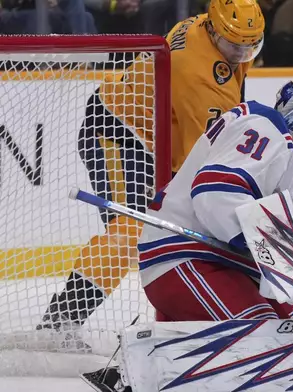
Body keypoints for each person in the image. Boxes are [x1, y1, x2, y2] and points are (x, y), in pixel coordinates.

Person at [37, 0, 265, 342]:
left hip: (155, 136)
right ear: (215, 31)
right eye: (235, 45)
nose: (241, 54)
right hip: (118, 129)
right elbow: (201, 166)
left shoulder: (211, 28)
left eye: (250, 46)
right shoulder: (199, 80)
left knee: (158, 228)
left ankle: (184, 317)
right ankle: (60, 321)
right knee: (132, 230)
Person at [138, 72, 293, 322]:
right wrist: (272, 248)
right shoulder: (266, 126)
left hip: (225, 264)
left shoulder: (285, 155)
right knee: (271, 337)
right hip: (186, 256)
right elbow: (215, 192)